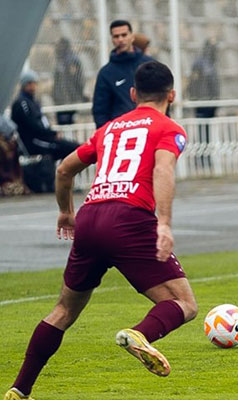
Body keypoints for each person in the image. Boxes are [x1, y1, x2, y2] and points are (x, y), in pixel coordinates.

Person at [3, 61, 197, 400]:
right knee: (183, 303)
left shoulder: (110, 129)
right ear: (172, 95)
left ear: (133, 94)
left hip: (90, 217)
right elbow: (163, 169)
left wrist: (66, 211)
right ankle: (139, 334)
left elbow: (64, 170)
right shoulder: (169, 128)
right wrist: (164, 223)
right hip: (129, 218)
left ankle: (19, 389)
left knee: (63, 311)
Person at [92, 20, 153, 128]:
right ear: (112, 39)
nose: (120, 39)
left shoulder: (150, 65)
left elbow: (161, 95)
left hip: (150, 127)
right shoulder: (106, 73)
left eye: (124, 35)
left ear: (132, 37)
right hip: (121, 132)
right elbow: (100, 110)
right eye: (116, 36)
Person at [11, 70, 79, 160]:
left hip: (43, 138)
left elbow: (42, 122)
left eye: (34, 83)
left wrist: (51, 133)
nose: (33, 86)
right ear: (24, 85)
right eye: (30, 83)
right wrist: (52, 133)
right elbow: (32, 126)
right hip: (34, 141)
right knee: (69, 148)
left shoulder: (33, 102)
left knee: (74, 147)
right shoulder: (22, 103)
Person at [53, 38, 86, 125]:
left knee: (69, 121)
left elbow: (78, 79)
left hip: (71, 96)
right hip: (60, 98)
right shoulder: (60, 61)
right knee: (62, 122)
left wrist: (79, 93)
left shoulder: (72, 60)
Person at [187, 40, 220, 119]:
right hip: (201, 102)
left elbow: (214, 85)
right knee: (202, 122)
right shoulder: (199, 63)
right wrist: (194, 98)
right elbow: (193, 82)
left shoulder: (212, 64)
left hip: (212, 101)